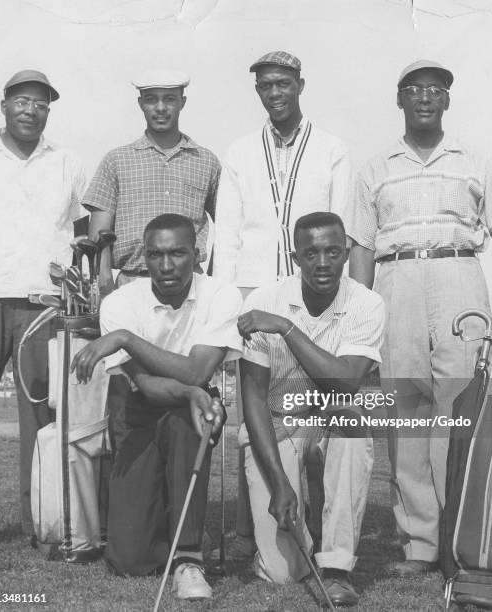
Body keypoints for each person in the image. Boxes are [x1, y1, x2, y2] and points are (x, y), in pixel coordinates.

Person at [347, 60, 492, 575]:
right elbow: (360, 247)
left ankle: (460, 532)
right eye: (414, 90)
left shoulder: (475, 160)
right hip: (394, 280)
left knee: (459, 402)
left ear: (447, 100)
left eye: (436, 90)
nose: (425, 97)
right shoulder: (375, 168)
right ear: (399, 99)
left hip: (459, 277)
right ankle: (419, 541)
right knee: (406, 410)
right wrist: (358, 311)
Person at [213, 50, 352, 556]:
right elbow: (225, 234)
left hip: (309, 292)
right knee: (255, 412)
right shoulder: (240, 150)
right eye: (265, 86)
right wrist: (227, 307)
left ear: (300, 85)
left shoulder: (332, 147)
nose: (275, 93)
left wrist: (340, 299)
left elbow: (341, 234)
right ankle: (253, 526)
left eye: (283, 84)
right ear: (258, 92)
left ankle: (316, 520)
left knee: (313, 413)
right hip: (253, 292)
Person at [71, 214, 242, 599]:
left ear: (196, 254)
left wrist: (127, 339)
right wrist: (187, 390)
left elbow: (199, 371)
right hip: (140, 406)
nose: (167, 266)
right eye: (156, 255)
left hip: (195, 408)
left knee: (188, 420)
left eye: (178, 253)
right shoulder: (119, 303)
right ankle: (171, 526)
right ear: (144, 258)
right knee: (128, 560)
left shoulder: (222, 295)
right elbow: (146, 385)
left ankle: (189, 557)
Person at [237, 212, 384, 606]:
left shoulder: (367, 302)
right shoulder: (262, 299)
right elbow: (252, 400)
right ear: (294, 256)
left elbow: (346, 382)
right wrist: (280, 484)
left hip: (332, 416)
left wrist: (287, 327)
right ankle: (298, 534)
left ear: (347, 253)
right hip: (277, 420)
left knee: (352, 422)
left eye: (333, 252)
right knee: (283, 573)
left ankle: (337, 567)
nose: (323, 263)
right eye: (312, 253)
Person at [0, 70, 86, 540]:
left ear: (49, 111)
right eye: (21, 101)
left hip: (43, 302)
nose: (30, 110)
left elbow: (84, 233)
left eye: (40, 103)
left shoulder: (66, 162)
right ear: (3, 105)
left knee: (41, 415)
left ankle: (38, 522)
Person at [82, 71, 221, 292]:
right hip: (132, 283)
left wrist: (216, 278)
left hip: (190, 284)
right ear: (140, 104)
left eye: (169, 99)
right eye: (151, 99)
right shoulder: (117, 160)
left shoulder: (206, 161)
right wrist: (103, 278)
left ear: (182, 102)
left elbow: (227, 227)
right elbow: (99, 232)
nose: (160, 108)